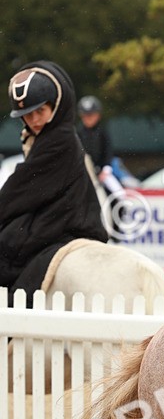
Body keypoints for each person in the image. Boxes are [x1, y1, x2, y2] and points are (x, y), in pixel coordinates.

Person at [0, 61, 107, 300]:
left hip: (65, 220)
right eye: (27, 114)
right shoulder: (51, 135)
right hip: (59, 214)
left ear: (55, 105)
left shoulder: (59, 138)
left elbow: (19, 190)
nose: (34, 119)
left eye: (40, 111)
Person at [76, 94, 123, 202]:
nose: (88, 118)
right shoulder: (78, 132)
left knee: (119, 193)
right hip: (83, 172)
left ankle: (120, 211)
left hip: (102, 171)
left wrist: (105, 169)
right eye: (85, 115)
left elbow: (108, 151)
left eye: (91, 115)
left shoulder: (102, 132)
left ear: (98, 115)